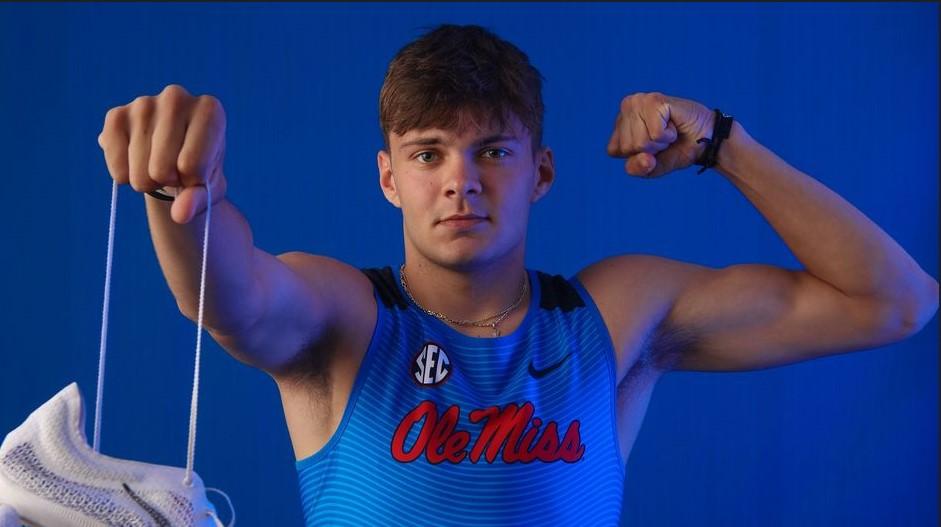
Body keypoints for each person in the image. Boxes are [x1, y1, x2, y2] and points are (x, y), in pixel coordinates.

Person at [96, 24, 938, 525]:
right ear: (389, 178)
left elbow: (894, 301)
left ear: (540, 172)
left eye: (492, 152)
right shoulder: (347, 316)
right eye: (428, 153)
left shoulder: (613, 317)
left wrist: (725, 144)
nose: (460, 181)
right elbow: (229, 296)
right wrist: (183, 192)